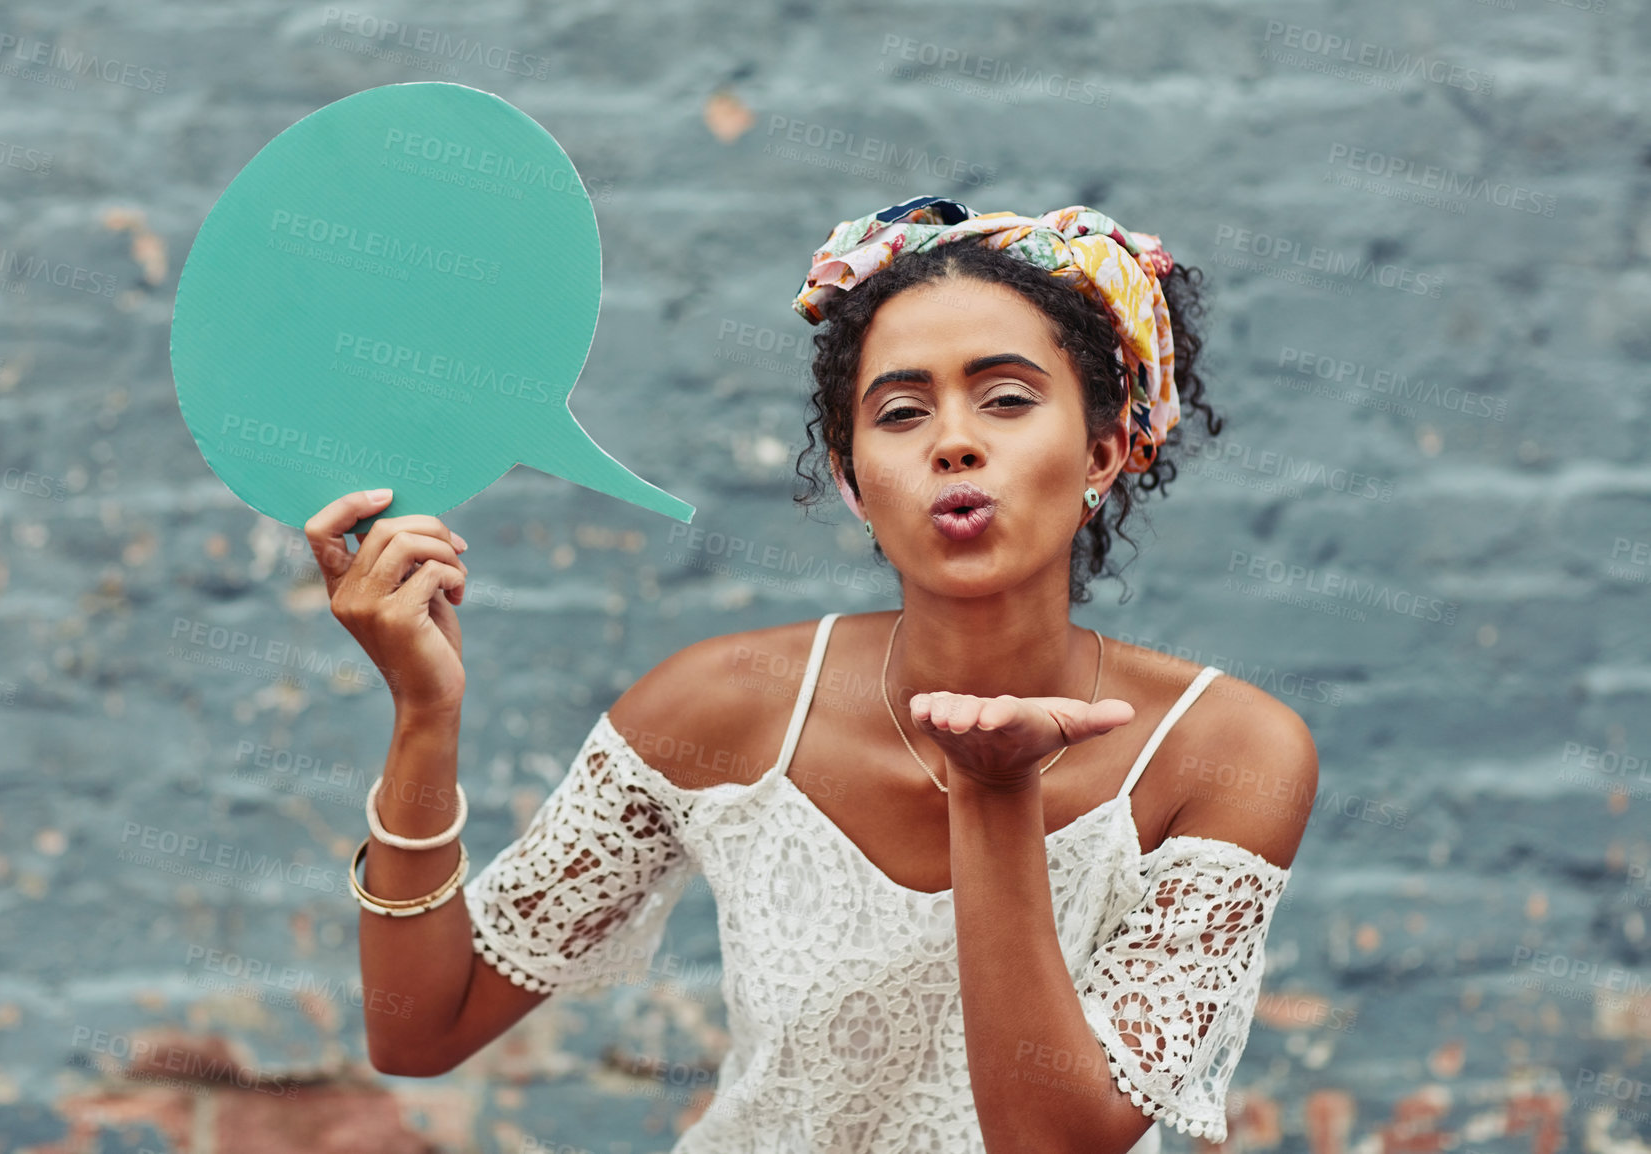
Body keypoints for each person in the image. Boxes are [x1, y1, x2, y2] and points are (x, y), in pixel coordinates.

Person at [310, 194, 1318, 1154]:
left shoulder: (1226, 753)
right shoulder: (716, 709)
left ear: (1105, 448)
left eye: (1006, 400)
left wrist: (996, 790)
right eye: (901, 412)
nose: (955, 441)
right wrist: (424, 712)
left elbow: (1052, 1140)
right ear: (853, 480)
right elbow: (419, 1029)